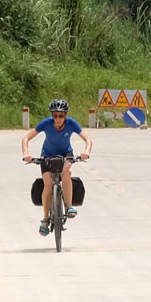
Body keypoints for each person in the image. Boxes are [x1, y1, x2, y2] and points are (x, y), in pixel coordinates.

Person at [22, 98, 92, 236]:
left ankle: (69, 206)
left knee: (66, 172)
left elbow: (87, 139)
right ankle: (45, 219)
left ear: (66, 115)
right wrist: (26, 154)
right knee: (48, 184)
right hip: (47, 155)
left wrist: (86, 153)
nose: (58, 119)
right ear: (52, 116)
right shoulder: (46, 123)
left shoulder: (71, 123)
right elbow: (26, 138)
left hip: (66, 154)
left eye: (61, 116)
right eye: (55, 116)